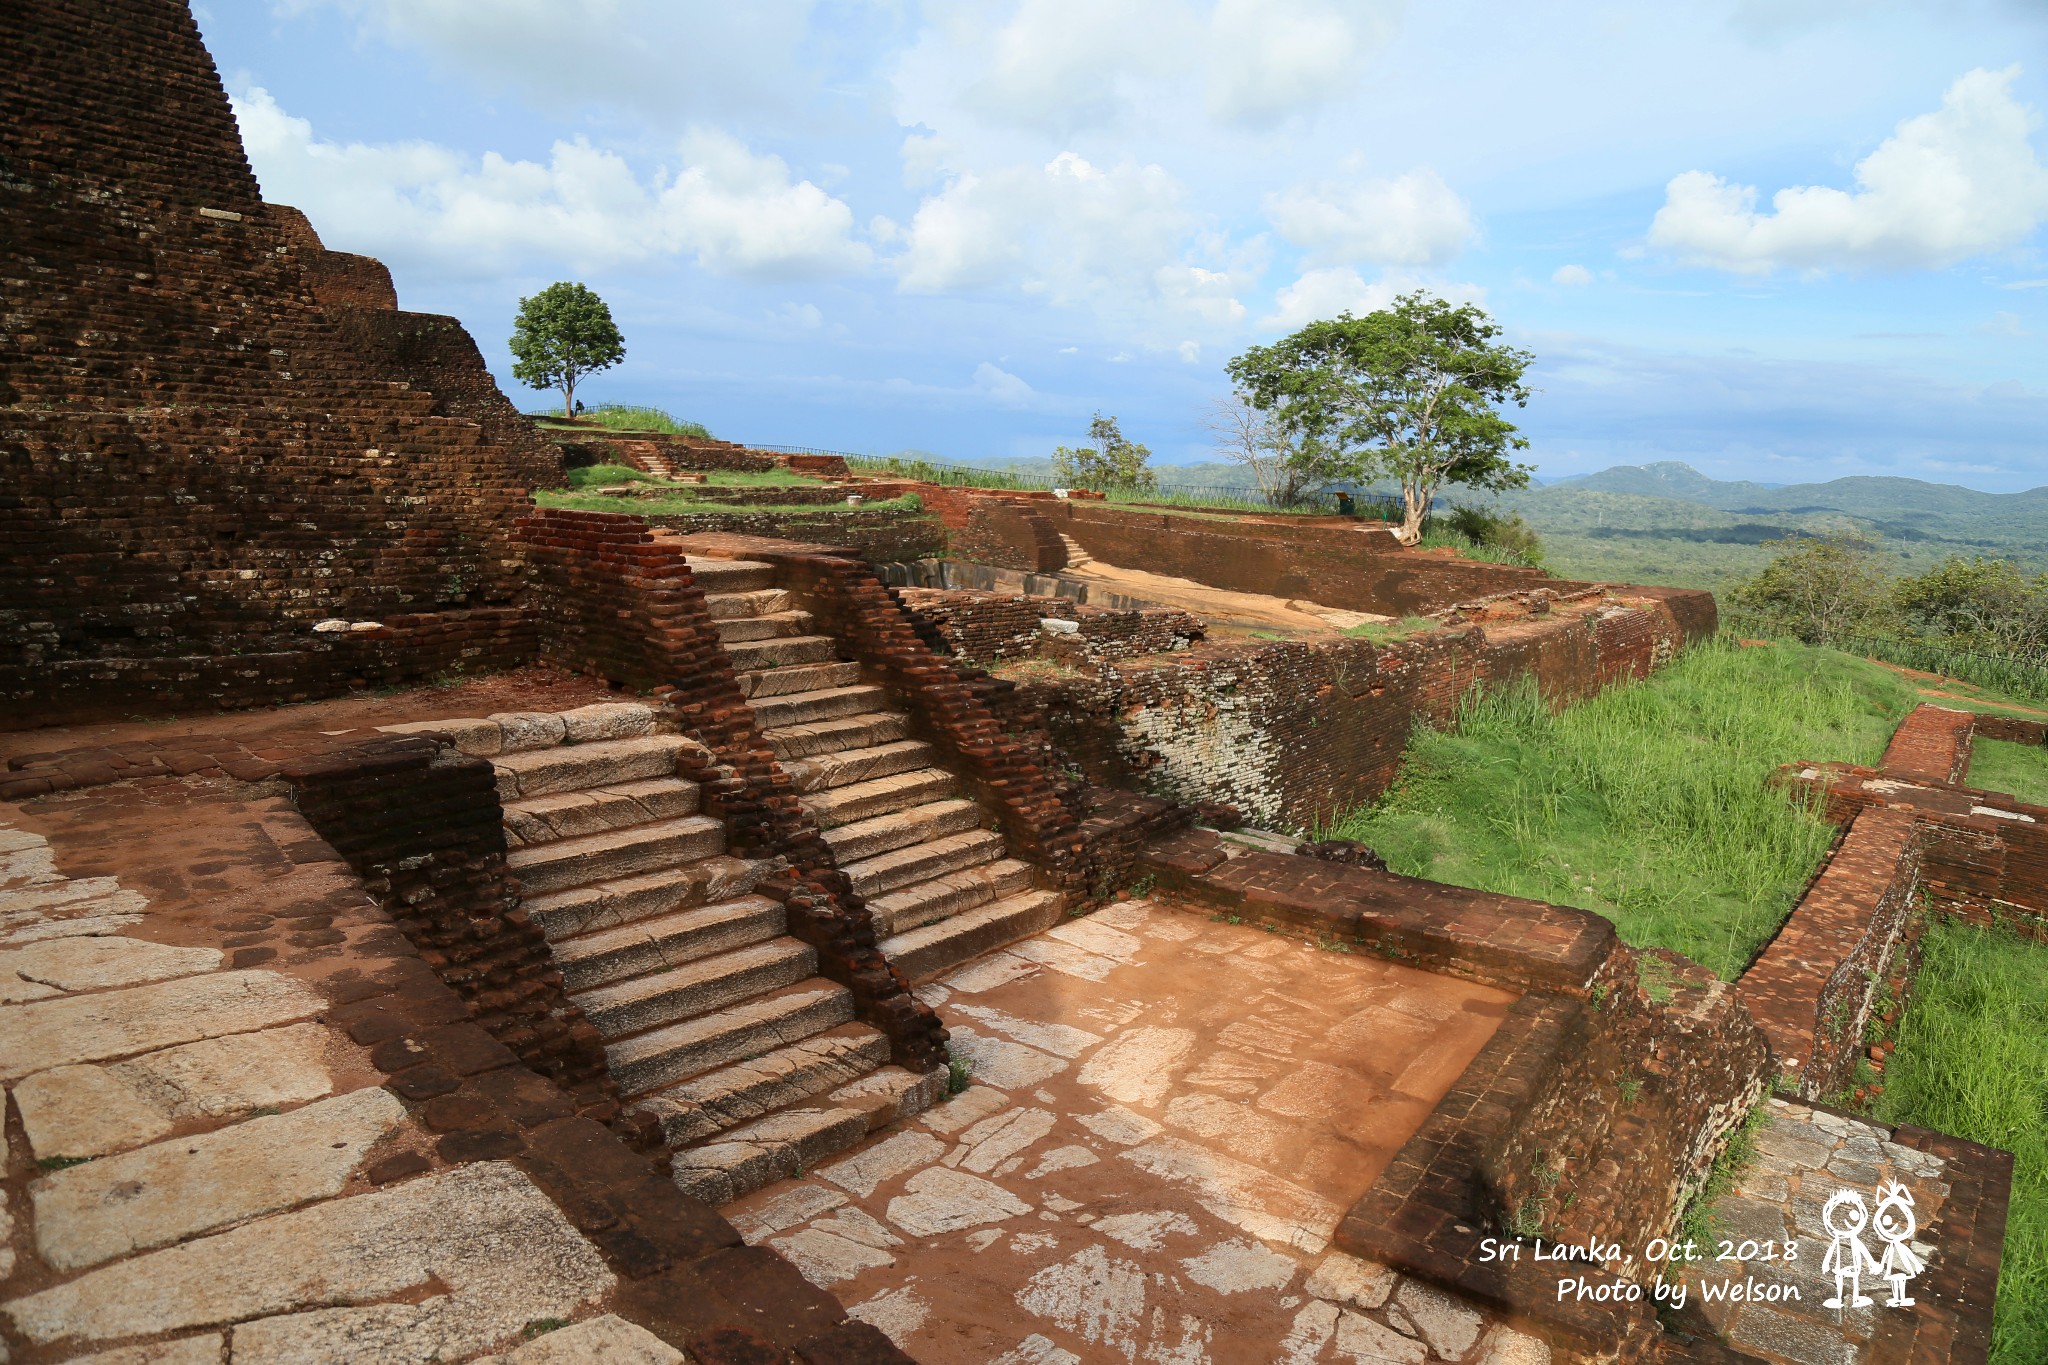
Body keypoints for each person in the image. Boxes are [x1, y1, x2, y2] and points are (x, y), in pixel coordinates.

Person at [1821, 1190, 1879, 1309]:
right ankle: (1838, 1298)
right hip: (1840, 1264)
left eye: (1853, 1216)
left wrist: (1872, 1263)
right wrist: (1826, 1263)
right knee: (1840, 1279)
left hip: (1852, 1264)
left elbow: (1863, 1250)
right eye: (1837, 1215)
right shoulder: (1837, 1240)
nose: (1845, 1221)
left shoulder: (1853, 1239)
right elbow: (1831, 1251)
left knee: (1855, 1279)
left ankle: (1856, 1298)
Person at [1872, 1182, 1923, 1307]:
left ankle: (1901, 1298)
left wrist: (1916, 1264)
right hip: (1893, 1265)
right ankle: (1896, 1298)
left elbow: (1908, 1254)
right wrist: (1880, 1264)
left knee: (1900, 1279)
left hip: (1900, 1265)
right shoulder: (1891, 1246)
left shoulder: (1899, 1246)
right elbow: (1885, 1256)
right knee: (1895, 1280)